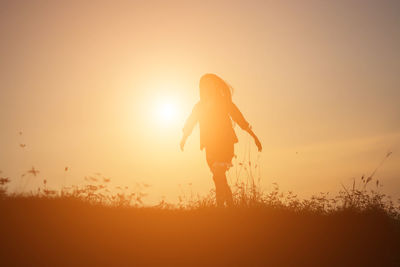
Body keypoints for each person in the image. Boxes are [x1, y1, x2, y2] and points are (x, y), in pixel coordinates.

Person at [180, 73, 262, 207]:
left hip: (225, 143)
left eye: (210, 84)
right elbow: (191, 122)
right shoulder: (199, 106)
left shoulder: (225, 102)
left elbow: (240, 119)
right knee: (218, 177)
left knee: (218, 174)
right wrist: (183, 138)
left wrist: (255, 137)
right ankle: (229, 206)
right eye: (205, 85)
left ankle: (220, 208)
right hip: (210, 145)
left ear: (215, 86)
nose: (208, 87)